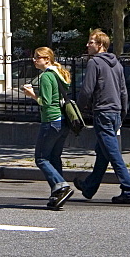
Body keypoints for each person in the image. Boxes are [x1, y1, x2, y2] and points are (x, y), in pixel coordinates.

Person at [74, 29, 130, 205]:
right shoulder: (116, 63)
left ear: (100, 45)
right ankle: (89, 187)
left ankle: (129, 190)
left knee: (113, 154)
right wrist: (122, 112)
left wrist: (77, 110)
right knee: (103, 152)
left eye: (91, 42)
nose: (87, 45)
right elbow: (123, 90)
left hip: (102, 112)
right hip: (116, 112)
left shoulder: (94, 63)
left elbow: (87, 90)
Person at [22, 46, 74, 210]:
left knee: (41, 158)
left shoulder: (46, 77)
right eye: (34, 56)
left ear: (47, 59)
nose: (34, 60)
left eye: (38, 57)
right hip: (63, 121)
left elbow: (45, 102)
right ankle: (57, 193)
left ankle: (60, 185)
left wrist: (30, 94)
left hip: (51, 120)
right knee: (54, 157)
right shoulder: (58, 74)